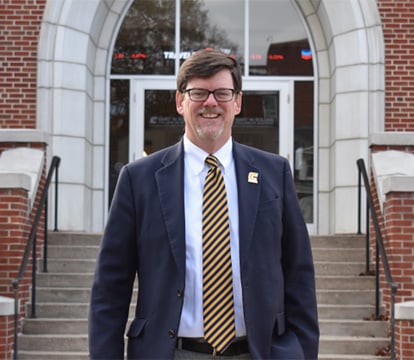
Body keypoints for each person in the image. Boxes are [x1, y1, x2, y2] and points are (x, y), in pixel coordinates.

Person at [89, 49, 319, 359]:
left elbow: (298, 276)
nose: (211, 102)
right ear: (180, 101)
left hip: (258, 352)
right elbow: (110, 289)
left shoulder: (274, 173)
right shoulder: (138, 179)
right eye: (198, 93)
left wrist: (301, 351)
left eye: (222, 93)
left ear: (237, 102)